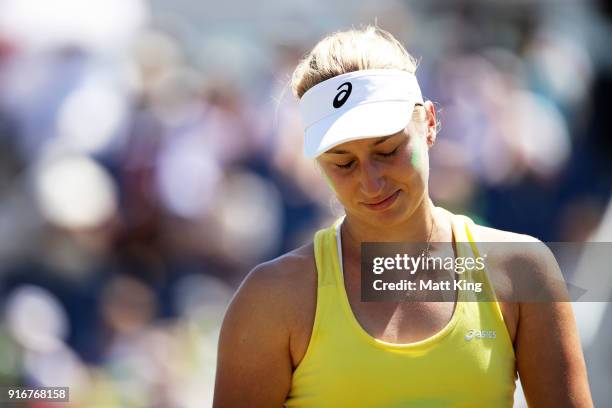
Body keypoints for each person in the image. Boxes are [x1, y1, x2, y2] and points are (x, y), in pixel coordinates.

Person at [213, 25, 593, 407]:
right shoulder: (270, 300)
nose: (371, 182)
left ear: (429, 123)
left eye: (388, 151)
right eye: (343, 164)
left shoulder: (523, 272)